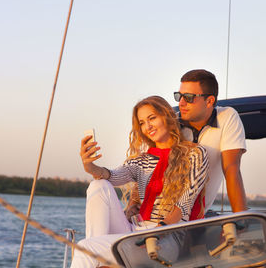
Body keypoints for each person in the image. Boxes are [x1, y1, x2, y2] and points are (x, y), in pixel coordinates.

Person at [70, 96, 208, 268]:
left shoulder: (195, 154)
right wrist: (90, 166)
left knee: (85, 248)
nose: (147, 126)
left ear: (167, 116)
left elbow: (185, 203)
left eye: (152, 118)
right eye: (142, 123)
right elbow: (113, 176)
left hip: (168, 237)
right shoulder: (142, 161)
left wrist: (158, 232)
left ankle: (96, 256)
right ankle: (97, 253)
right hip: (136, 231)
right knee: (98, 185)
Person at [175, 69, 248, 213]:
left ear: (209, 101)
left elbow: (231, 169)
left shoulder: (227, 116)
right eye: (179, 96)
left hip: (196, 218)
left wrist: (241, 221)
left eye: (188, 97)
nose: (181, 103)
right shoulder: (171, 124)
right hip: (162, 217)